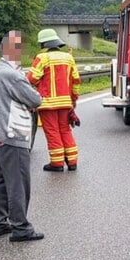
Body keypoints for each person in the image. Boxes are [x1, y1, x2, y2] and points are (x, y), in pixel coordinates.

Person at [0, 30, 45, 242]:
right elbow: (35, 99)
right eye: (17, 47)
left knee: (1, 180)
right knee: (18, 181)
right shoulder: (12, 75)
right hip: (13, 134)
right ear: (10, 50)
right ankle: (21, 227)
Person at [28, 28, 81, 172]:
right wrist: (73, 100)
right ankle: (72, 162)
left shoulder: (42, 58)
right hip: (65, 102)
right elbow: (76, 81)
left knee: (52, 132)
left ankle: (57, 163)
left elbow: (31, 78)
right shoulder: (69, 58)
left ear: (43, 44)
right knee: (65, 130)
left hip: (47, 103)